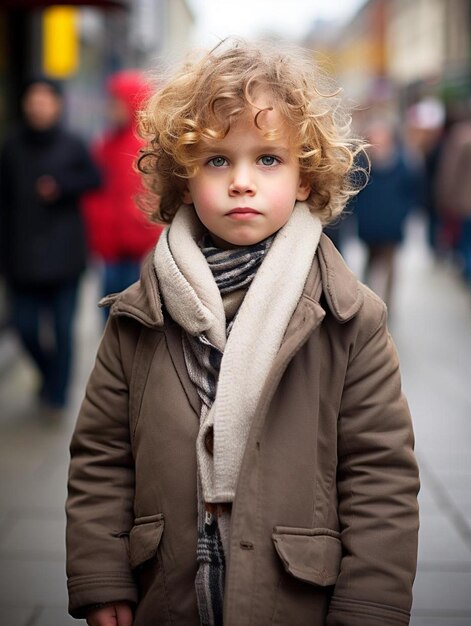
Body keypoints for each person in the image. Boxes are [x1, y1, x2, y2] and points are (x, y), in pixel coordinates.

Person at [66, 39, 419, 626]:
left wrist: (369, 607)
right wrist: (101, 574)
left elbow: (379, 475)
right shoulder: (139, 315)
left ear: (305, 178)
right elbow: (102, 455)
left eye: (269, 160)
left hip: (296, 595)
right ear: (184, 178)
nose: (242, 182)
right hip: (169, 593)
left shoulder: (349, 319)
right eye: (217, 160)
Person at [0, 76, 101, 417]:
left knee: (62, 331)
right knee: (25, 328)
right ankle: (49, 376)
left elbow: (94, 179)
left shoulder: (73, 143)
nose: (38, 105)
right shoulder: (11, 145)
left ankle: (57, 396)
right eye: (33, 99)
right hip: (21, 255)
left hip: (65, 256)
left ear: (57, 104)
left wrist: (61, 186)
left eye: (45, 99)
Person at [83, 70, 163, 314]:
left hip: (139, 245)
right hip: (110, 245)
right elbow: (96, 191)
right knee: (108, 309)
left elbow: (156, 195)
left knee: (133, 311)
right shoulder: (104, 144)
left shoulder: (147, 145)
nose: (111, 108)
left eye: (117, 102)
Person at [352, 117, 423, 309]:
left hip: (392, 224)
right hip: (369, 224)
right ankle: (366, 305)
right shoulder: (362, 163)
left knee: (390, 266)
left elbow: (412, 192)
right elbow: (353, 192)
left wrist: (402, 213)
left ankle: (387, 306)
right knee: (370, 262)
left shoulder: (403, 163)